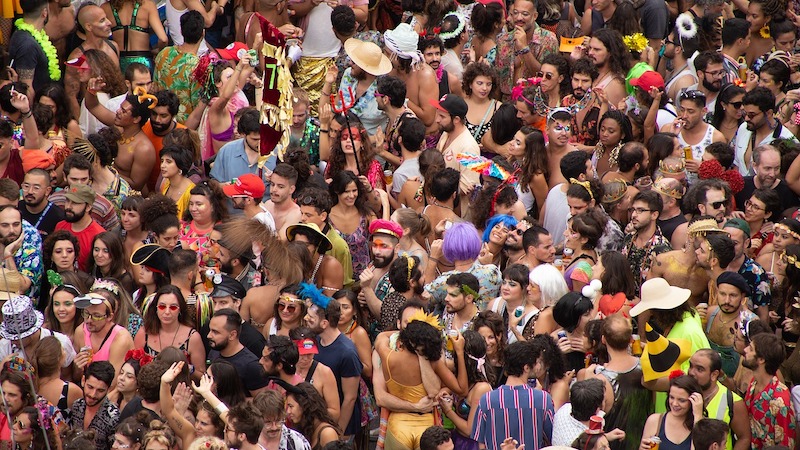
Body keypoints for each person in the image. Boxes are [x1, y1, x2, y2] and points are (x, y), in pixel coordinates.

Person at [471, 341, 554, 450]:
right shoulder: (543, 399)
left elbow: (481, 444)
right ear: (526, 368)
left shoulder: (487, 400)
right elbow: (552, 437)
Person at [303, 288, 363, 439]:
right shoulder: (315, 341)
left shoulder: (347, 352)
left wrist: (339, 432)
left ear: (324, 323)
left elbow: (350, 398)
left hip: (341, 427)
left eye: (311, 318)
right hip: (320, 422)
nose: (305, 318)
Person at [84, 77, 157, 191]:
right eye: (120, 108)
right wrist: (92, 91)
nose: (118, 111)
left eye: (124, 111)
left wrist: (104, 171)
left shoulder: (143, 149)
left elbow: (136, 185)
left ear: (136, 119)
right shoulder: (120, 127)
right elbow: (93, 106)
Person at [134, 285, 206, 375]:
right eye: (162, 306)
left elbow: (202, 375)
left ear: (180, 310)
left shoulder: (192, 337)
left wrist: (187, 369)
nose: (167, 312)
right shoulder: (144, 333)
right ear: (155, 308)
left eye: (173, 307)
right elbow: (133, 367)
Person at [687, 350, 751, 450]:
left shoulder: (733, 402)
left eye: (699, 369)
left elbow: (744, 438)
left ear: (714, 374)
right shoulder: (682, 393)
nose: (691, 372)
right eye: (691, 366)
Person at [743, 332, 796, 448]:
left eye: (751, 349)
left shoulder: (780, 401)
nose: (745, 349)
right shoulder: (753, 383)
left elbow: (785, 445)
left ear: (761, 359)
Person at [72, 291, 135, 383]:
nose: (89, 320)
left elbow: (113, 383)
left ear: (109, 317)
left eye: (96, 316)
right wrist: (78, 369)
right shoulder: (80, 331)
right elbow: (75, 377)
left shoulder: (120, 339)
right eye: (86, 313)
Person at [153, 11, 204, 123]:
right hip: (184, 127)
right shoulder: (198, 66)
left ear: (181, 31)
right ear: (203, 34)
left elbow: (154, 88)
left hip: (159, 120)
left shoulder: (164, 53)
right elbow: (198, 106)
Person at [734, 87, 796, 176]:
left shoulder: (787, 140)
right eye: (745, 113)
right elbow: (737, 165)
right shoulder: (743, 128)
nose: (746, 118)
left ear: (769, 113)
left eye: (752, 115)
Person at [207, 307, 269, 396]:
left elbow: (261, 402)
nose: (209, 335)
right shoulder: (215, 351)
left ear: (232, 335)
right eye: (210, 330)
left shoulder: (251, 365)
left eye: (215, 332)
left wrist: (231, 401)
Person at [432, 94, 480, 203]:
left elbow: (467, 186)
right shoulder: (445, 133)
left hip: (458, 212)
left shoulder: (469, 147)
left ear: (456, 119)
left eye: (442, 116)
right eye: (437, 114)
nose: (437, 120)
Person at [622, 190, 671, 290]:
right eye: (633, 210)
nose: (634, 215)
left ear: (654, 215)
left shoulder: (662, 248)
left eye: (640, 210)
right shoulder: (629, 238)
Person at [640, 375, 704, 450]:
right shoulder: (655, 421)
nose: (674, 404)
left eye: (681, 400)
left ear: (693, 401)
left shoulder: (703, 426)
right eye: (671, 397)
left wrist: (697, 417)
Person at [210, 274, 266, 357]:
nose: (216, 308)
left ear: (237, 302)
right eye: (215, 302)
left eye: (223, 302)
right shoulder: (208, 328)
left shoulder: (253, 339)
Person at [69, 361, 120, 450]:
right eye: (90, 387)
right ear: (83, 380)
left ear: (108, 389)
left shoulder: (113, 418)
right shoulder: (77, 406)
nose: (93, 394)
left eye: (100, 390)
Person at [19, 169, 64, 239]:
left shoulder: (58, 217)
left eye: (36, 188)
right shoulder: (16, 209)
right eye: (26, 186)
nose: (30, 191)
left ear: (47, 191)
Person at [265, 164, 303, 238]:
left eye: (280, 187)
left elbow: (279, 243)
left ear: (291, 189)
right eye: (272, 184)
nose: (274, 190)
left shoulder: (296, 214)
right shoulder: (267, 204)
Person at [158, 145, 196, 221]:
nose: (162, 165)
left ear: (180, 166)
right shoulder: (165, 183)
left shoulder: (191, 191)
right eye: (162, 161)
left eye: (168, 162)